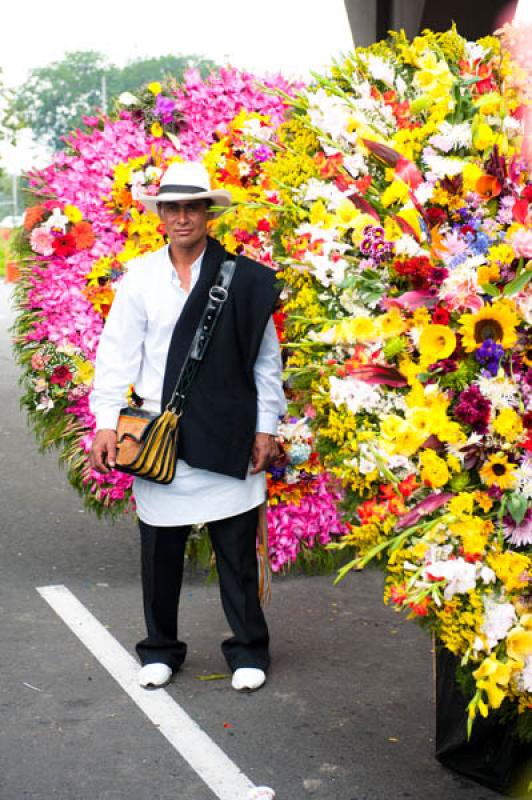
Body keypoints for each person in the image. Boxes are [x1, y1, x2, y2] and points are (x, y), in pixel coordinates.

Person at [89, 161, 285, 692]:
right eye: (172, 208)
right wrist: (106, 422)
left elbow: (266, 361)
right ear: (160, 216)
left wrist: (266, 426)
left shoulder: (243, 280)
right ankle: (160, 648)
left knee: (236, 550)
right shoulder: (140, 278)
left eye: (191, 207)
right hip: (160, 433)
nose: (181, 217)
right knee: (160, 550)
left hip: (228, 427)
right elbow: (116, 354)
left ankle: (248, 649)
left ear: (207, 214)